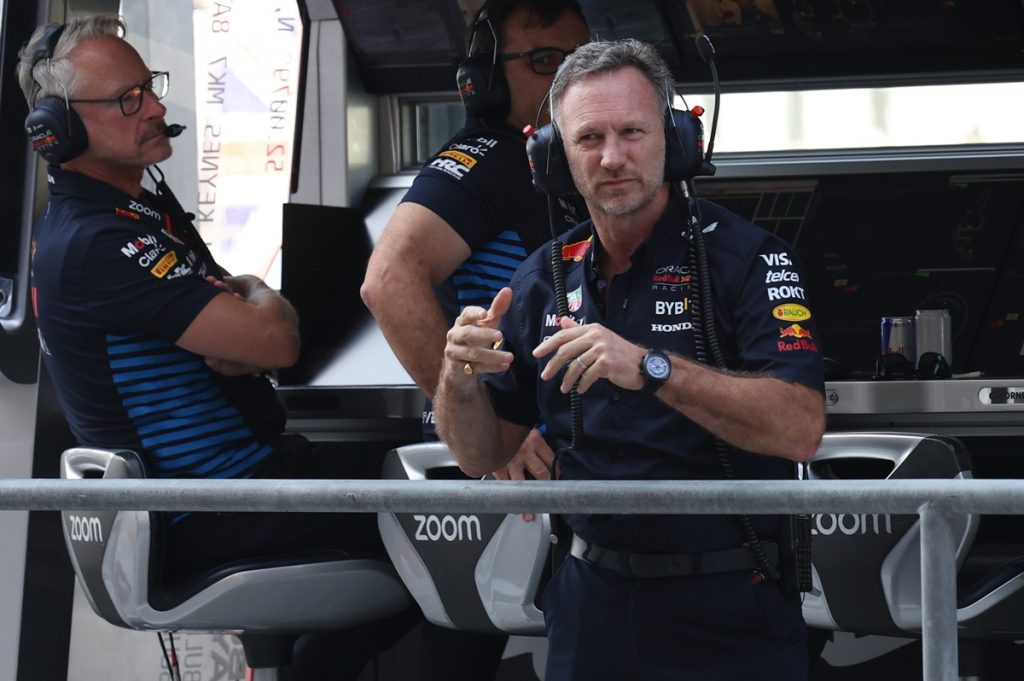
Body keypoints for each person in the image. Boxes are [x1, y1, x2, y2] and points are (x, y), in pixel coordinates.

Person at [18, 15, 417, 679]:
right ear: (56, 129)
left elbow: (253, 333)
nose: (153, 108)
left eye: (149, 88)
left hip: (243, 484)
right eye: (126, 99)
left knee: (437, 480)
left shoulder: (119, 218)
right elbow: (276, 339)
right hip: (217, 504)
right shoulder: (101, 243)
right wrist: (259, 299)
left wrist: (250, 309)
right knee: (465, 509)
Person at [435, 38, 826, 681]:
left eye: (632, 132)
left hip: (729, 601)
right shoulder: (541, 278)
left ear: (672, 141)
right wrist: (459, 381)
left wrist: (650, 367)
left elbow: (800, 427)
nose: (613, 157)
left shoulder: (749, 260)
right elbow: (480, 455)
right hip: (589, 602)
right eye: (589, 138)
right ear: (555, 158)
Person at [361, 0, 590, 484]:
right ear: (486, 80)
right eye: (545, 60)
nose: (570, 80)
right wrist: (485, 427)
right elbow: (387, 280)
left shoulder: (554, 166)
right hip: (510, 461)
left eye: (582, 60)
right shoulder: (490, 159)